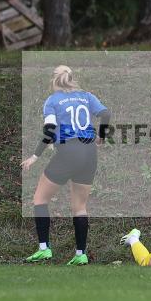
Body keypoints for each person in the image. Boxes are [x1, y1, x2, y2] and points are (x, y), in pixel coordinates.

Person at [21, 66, 111, 265]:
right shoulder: (86, 96)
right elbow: (106, 114)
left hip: (69, 151)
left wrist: (36, 155)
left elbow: (51, 130)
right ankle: (80, 254)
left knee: (39, 199)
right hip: (89, 153)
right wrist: (101, 137)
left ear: (54, 80)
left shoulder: (53, 101)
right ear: (72, 78)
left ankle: (44, 249)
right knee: (80, 207)